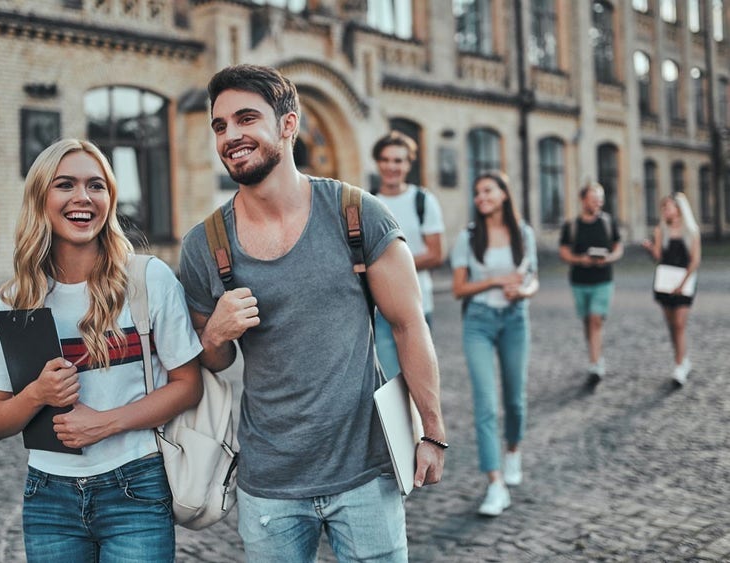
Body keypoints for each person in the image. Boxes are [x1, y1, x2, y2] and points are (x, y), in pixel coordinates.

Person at [179, 64, 446, 562]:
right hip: (270, 484)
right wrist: (215, 333)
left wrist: (431, 430)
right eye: (220, 126)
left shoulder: (356, 213)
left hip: (366, 472)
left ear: (287, 124)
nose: (231, 135)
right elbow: (212, 361)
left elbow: (409, 325)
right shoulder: (204, 246)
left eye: (245, 118)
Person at [0, 139, 204, 562]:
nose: (83, 197)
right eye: (66, 184)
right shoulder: (14, 300)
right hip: (48, 497)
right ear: (41, 197)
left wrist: (104, 424)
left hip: (136, 488)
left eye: (96, 186)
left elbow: (187, 385)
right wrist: (36, 395)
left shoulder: (147, 280)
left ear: (110, 198)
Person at [450, 171, 538, 517]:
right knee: (486, 403)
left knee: (515, 399)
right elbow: (459, 289)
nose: (481, 197)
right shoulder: (469, 237)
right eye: (477, 192)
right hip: (479, 324)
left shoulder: (523, 233)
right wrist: (496, 281)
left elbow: (531, 280)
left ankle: (513, 450)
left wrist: (523, 290)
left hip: (516, 319)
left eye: (488, 190)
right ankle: (495, 483)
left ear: (504, 193)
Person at [371, 131, 445, 380]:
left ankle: (422, 422)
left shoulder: (422, 200)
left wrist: (388, 267)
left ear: (408, 164)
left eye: (399, 161)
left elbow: (435, 254)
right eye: (386, 159)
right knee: (391, 384)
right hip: (379, 310)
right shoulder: (366, 202)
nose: (392, 166)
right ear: (378, 163)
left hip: (418, 306)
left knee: (419, 381)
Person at [559, 182, 623, 383]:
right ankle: (595, 355)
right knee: (587, 321)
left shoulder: (607, 222)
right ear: (583, 199)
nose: (598, 203)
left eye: (601, 199)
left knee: (596, 319)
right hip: (579, 280)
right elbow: (564, 251)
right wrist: (580, 260)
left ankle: (595, 364)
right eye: (594, 199)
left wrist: (610, 258)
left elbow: (618, 246)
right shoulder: (572, 226)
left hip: (603, 279)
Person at [641, 192, 701, 385]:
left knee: (679, 324)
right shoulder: (661, 230)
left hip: (684, 282)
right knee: (671, 326)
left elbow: (695, 260)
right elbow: (658, 256)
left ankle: (679, 366)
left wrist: (682, 284)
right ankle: (683, 359)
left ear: (679, 209)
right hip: (665, 283)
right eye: (663, 207)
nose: (665, 210)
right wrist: (650, 248)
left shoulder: (691, 231)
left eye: (668, 206)